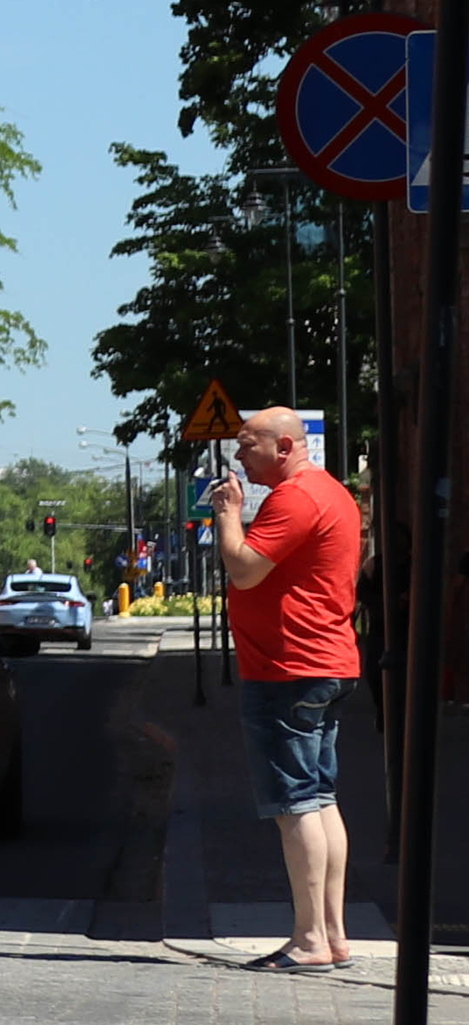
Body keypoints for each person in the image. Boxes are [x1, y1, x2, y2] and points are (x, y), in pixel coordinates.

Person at [209, 407, 364, 972]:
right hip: (323, 662)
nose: (238, 457)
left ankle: (308, 939)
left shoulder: (295, 498)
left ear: (283, 447)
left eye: (247, 446)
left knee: (295, 802)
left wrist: (226, 517)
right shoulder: (333, 493)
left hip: (288, 668)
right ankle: (333, 933)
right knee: (319, 797)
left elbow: (245, 568)